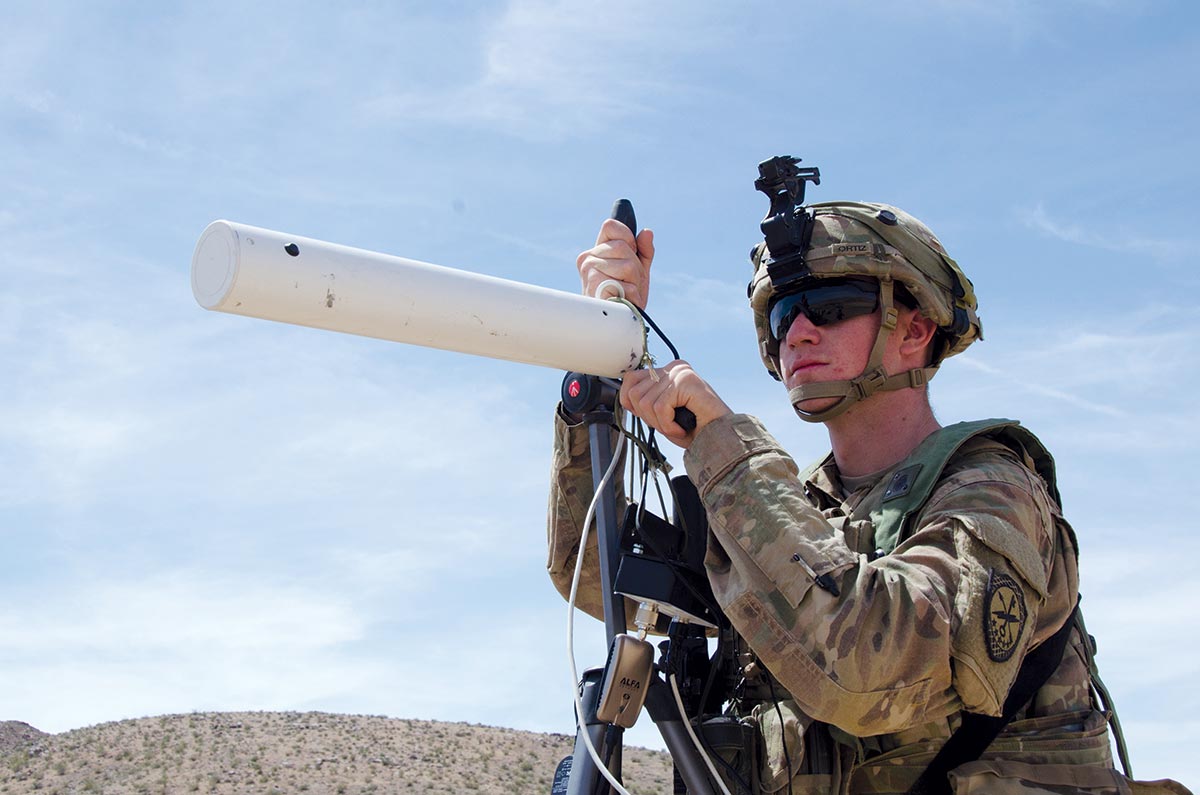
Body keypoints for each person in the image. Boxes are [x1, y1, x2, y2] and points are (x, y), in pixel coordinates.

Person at [547, 184, 1171, 795]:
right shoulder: (796, 510)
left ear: (916, 329)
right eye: (784, 315)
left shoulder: (993, 488)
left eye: (832, 307)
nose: (797, 333)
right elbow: (594, 573)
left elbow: (872, 673)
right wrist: (601, 347)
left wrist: (724, 449)